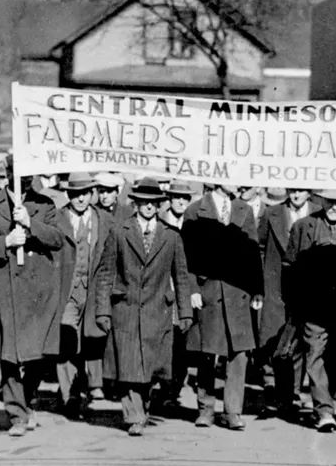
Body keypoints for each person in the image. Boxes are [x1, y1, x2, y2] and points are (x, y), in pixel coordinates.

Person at [92, 177, 194, 436]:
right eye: (144, 202)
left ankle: (143, 405)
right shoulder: (119, 231)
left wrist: (184, 312)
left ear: (160, 205)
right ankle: (134, 414)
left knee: (148, 368)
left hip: (157, 312)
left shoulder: (171, 236)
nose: (149, 207)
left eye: (154, 203)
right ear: (136, 203)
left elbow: (181, 276)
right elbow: (105, 274)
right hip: (125, 309)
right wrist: (102, 310)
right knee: (128, 365)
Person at [0, 169, 65, 437]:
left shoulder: (44, 204)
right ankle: (17, 414)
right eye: (17, 174)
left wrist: (31, 224)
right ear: (7, 176)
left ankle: (29, 398)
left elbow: (58, 240)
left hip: (37, 290)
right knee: (8, 353)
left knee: (36, 352)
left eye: (27, 175)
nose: (22, 180)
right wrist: (6, 241)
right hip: (5, 289)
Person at [181, 182, 262, 431]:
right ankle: (205, 409)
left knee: (238, 354)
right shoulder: (195, 210)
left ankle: (232, 411)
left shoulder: (244, 210)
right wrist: (192, 289)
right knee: (208, 350)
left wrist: (258, 289)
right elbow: (184, 255)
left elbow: (253, 251)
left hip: (238, 291)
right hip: (209, 290)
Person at [287, 189, 336, 432]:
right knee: (314, 354)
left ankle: (324, 403)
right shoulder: (304, 225)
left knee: (334, 358)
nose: (335, 207)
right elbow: (289, 264)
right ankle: (324, 410)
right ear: (321, 200)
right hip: (313, 306)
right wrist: (294, 300)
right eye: (331, 201)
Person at [47, 171, 115, 417]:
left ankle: (86, 385)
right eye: (75, 194)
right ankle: (70, 397)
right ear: (68, 194)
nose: (80, 199)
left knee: (91, 341)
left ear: (91, 194)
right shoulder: (56, 218)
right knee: (66, 340)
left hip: (95, 289)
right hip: (67, 291)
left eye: (85, 194)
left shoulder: (105, 220)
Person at [256, 187, 314, 415]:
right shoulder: (273, 213)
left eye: (301, 190)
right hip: (276, 284)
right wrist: (261, 284)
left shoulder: (318, 214)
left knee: (301, 339)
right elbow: (260, 248)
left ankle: (295, 391)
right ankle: (280, 393)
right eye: (292, 190)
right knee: (277, 338)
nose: (296, 195)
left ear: (309, 193)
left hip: (308, 286)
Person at [157, 179, 200, 407]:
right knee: (165, 339)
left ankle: (175, 388)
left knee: (182, 339)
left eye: (185, 198)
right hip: (164, 286)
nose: (181, 202)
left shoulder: (193, 224)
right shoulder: (160, 221)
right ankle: (165, 388)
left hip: (185, 287)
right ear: (169, 200)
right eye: (176, 198)